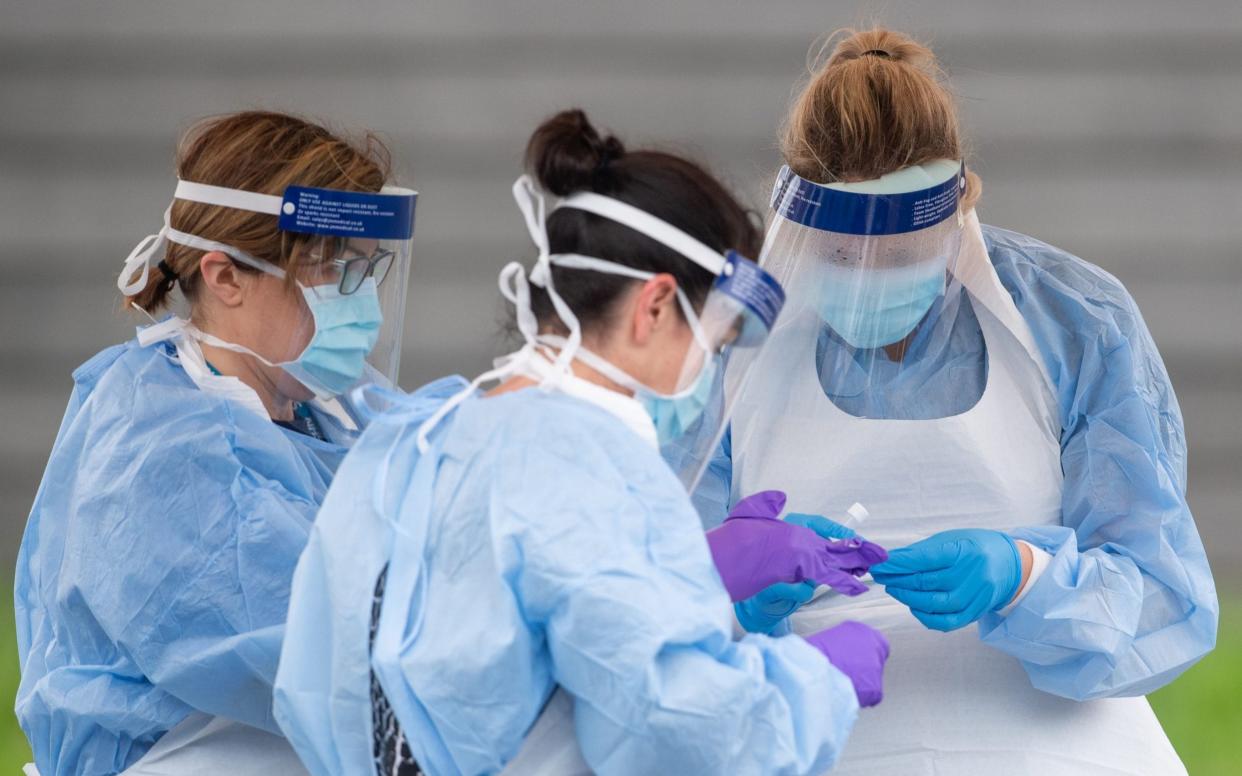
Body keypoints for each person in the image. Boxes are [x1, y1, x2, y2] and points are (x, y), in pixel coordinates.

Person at [274, 109, 890, 776]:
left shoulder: (417, 435)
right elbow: (673, 729)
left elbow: (324, 687)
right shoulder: (586, 468)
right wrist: (811, 683)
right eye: (712, 347)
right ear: (654, 306)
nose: (709, 378)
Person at [696, 28, 1219, 774]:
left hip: (1056, 743)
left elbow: (1164, 599)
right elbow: (646, 601)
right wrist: (741, 589)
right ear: (794, 224)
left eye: (901, 253)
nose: (869, 275)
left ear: (958, 210)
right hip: (807, 725)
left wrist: (1026, 576)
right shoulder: (725, 339)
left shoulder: (1071, 319)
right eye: (841, 255)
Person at [14, 110, 418, 776]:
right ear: (225, 276)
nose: (361, 301)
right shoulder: (159, 446)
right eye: (330, 269)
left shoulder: (332, 415)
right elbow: (321, 650)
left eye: (367, 269)